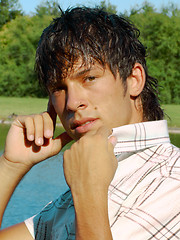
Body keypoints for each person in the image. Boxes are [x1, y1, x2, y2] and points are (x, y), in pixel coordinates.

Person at [0, 6, 179, 240]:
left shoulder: (171, 180)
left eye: (89, 78)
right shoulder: (74, 193)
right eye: (59, 88)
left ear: (134, 79)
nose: (72, 103)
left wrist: (87, 193)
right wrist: (11, 165)